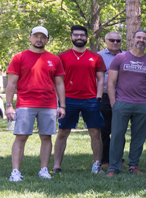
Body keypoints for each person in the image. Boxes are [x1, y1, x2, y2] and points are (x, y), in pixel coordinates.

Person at [6, 26, 66, 181]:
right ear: (30, 38)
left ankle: (44, 169)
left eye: (42, 37)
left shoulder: (54, 59)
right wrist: (9, 106)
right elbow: (11, 84)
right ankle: (15, 172)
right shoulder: (19, 57)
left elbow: (59, 84)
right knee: (21, 137)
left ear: (47, 40)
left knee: (46, 137)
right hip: (25, 103)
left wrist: (62, 106)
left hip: (49, 104)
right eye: (36, 36)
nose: (39, 39)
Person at [54, 25, 107, 174]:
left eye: (82, 35)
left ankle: (97, 166)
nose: (79, 37)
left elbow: (101, 79)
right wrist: (60, 101)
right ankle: (57, 166)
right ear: (71, 37)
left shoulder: (96, 57)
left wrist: (98, 97)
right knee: (63, 132)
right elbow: (57, 80)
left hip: (91, 100)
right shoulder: (62, 56)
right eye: (76, 35)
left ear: (86, 38)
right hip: (68, 100)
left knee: (95, 133)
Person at [105, 29, 146, 176]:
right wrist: (113, 103)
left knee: (139, 137)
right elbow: (111, 82)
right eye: (139, 37)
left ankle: (133, 165)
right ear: (133, 40)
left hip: (143, 105)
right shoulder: (121, 58)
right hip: (122, 103)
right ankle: (114, 167)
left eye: (144, 38)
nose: (141, 40)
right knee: (117, 136)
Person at [96, 31, 124, 171]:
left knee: (120, 130)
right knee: (105, 130)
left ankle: (119, 159)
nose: (115, 43)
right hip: (105, 97)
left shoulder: (127, 56)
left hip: (123, 97)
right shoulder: (99, 56)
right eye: (112, 40)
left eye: (118, 40)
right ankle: (105, 159)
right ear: (106, 41)